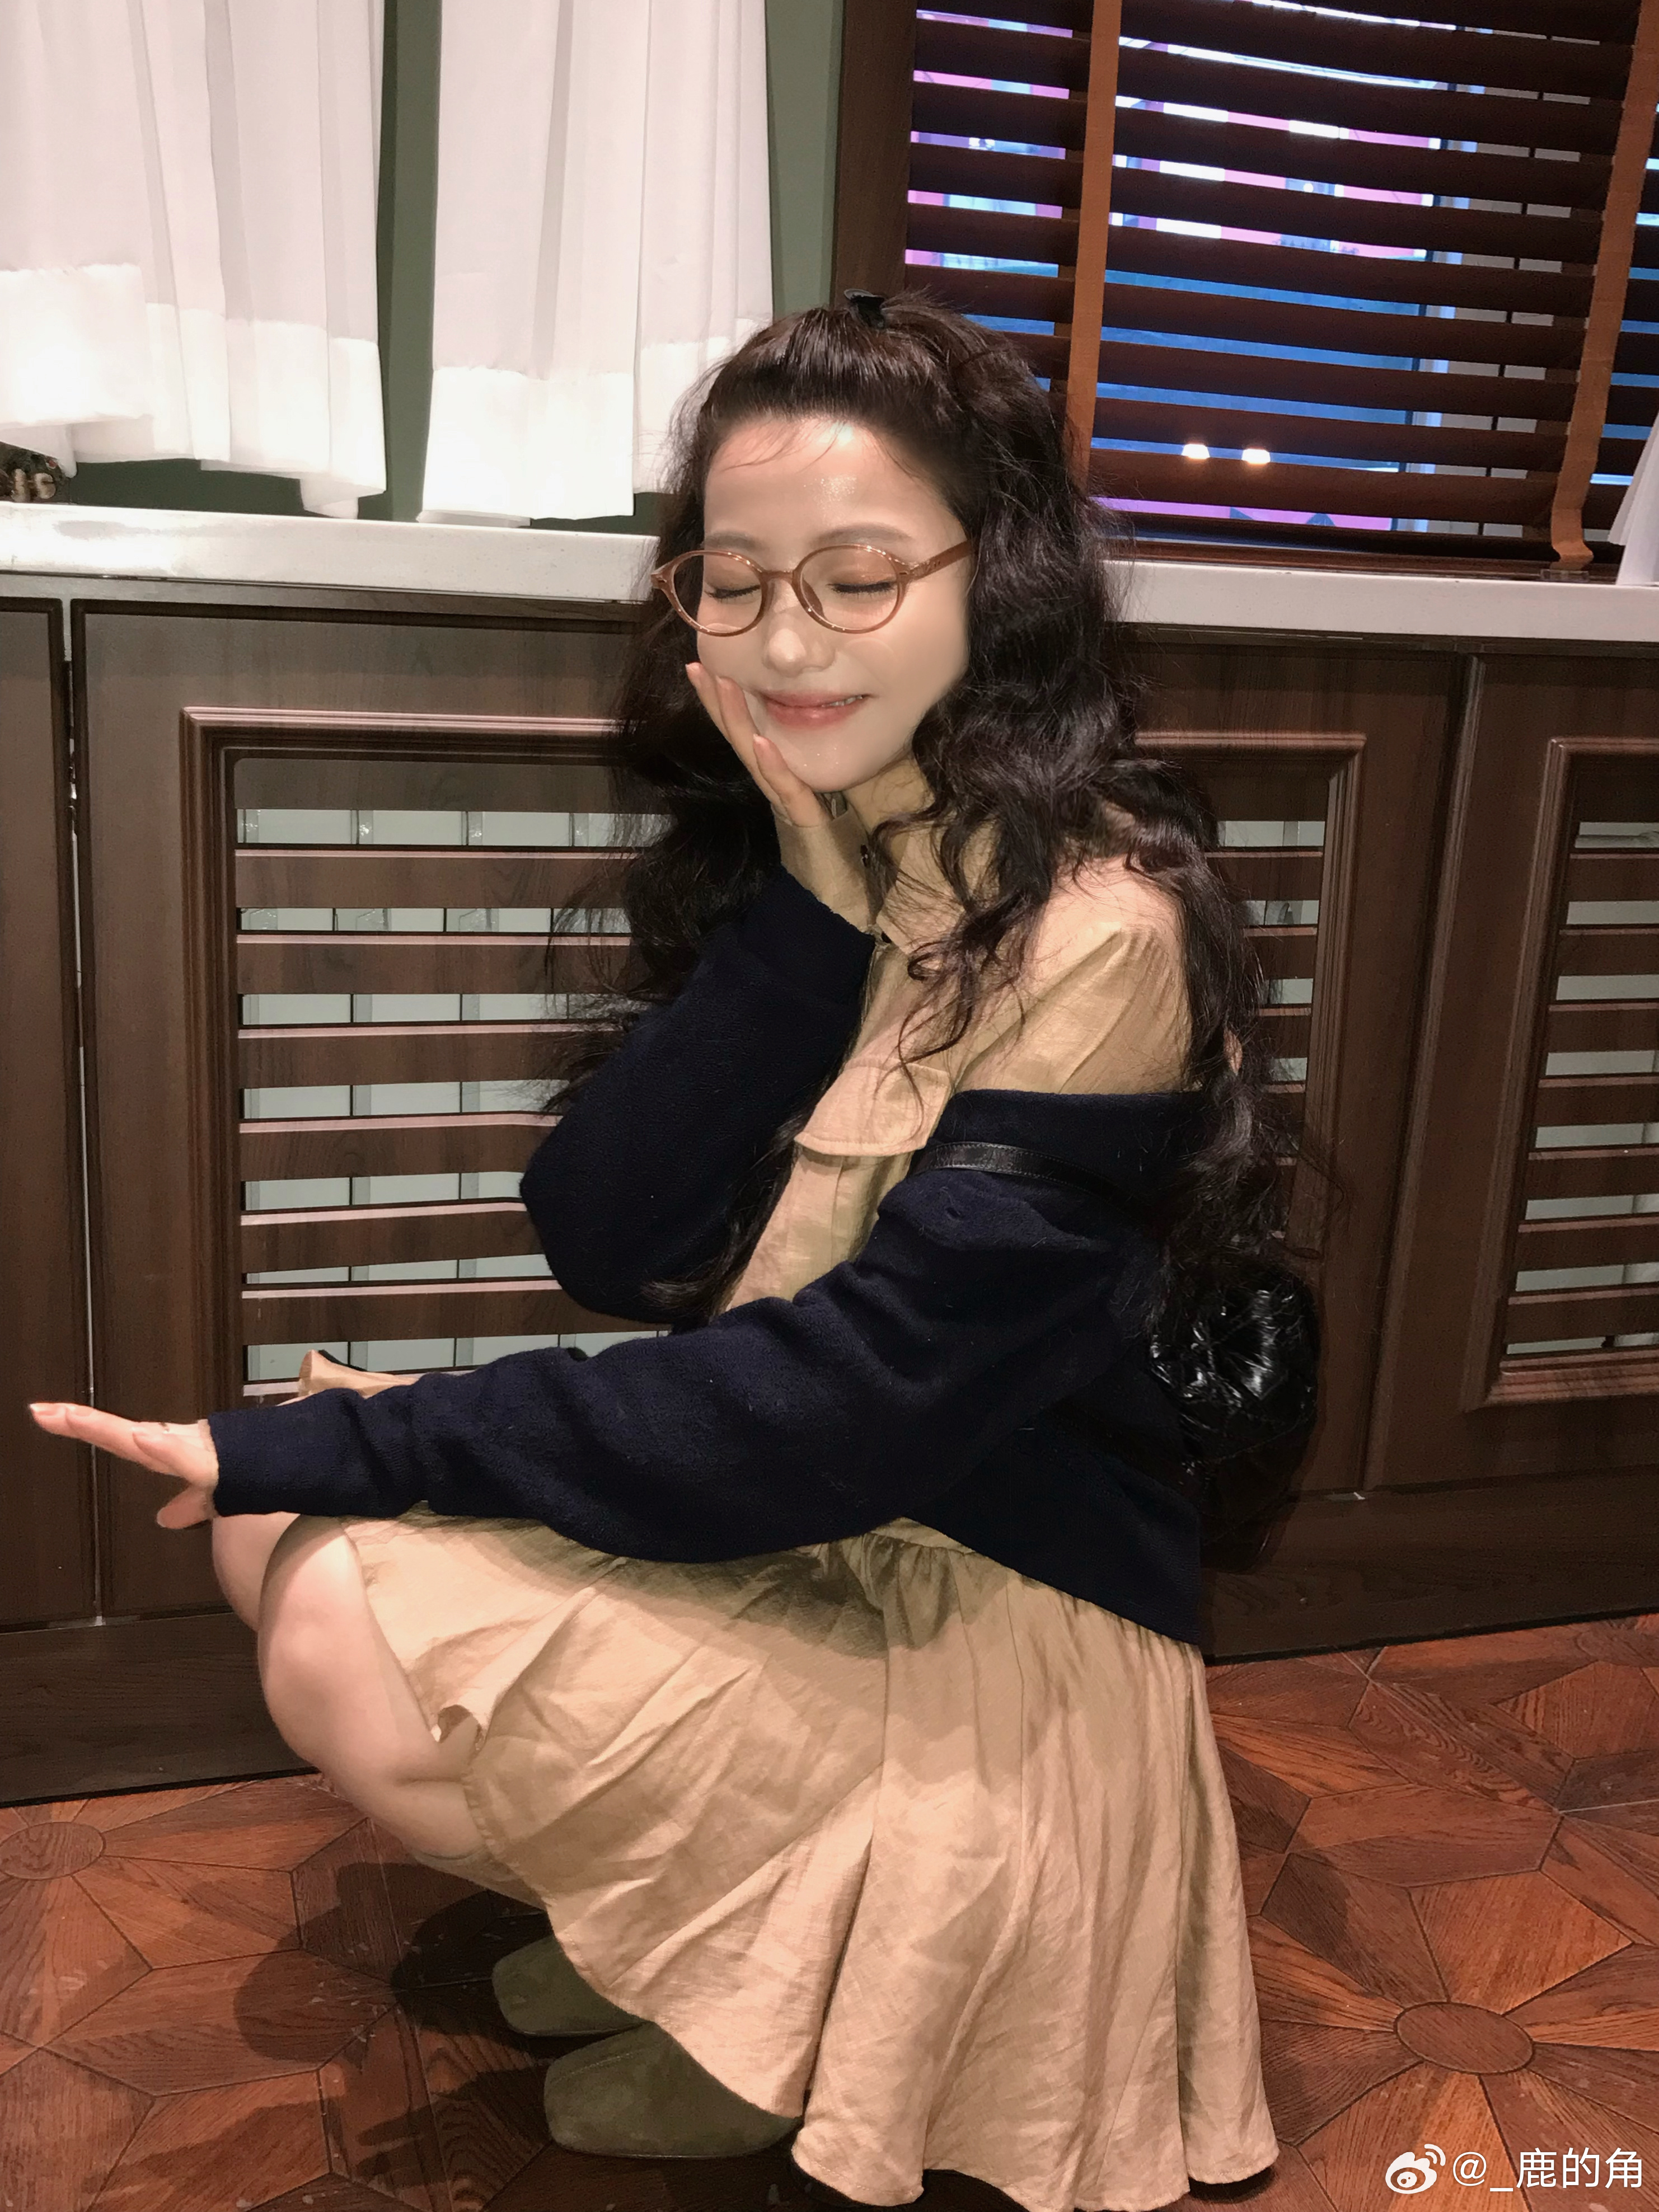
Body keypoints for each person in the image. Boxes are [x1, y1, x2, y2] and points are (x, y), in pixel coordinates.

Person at [31, 292, 1287, 2212]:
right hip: (830, 1526)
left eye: (856, 578)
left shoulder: (1096, 925)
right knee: (278, 1527)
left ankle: (774, 2013)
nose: (782, 640)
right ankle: (724, 1948)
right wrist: (803, 919)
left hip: (990, 1608)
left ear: (1000, 584)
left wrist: (359, 1436)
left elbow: (837, 1412)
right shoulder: (853, 843)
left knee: (339, 1601)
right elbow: (610, 1237)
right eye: (735, 578)